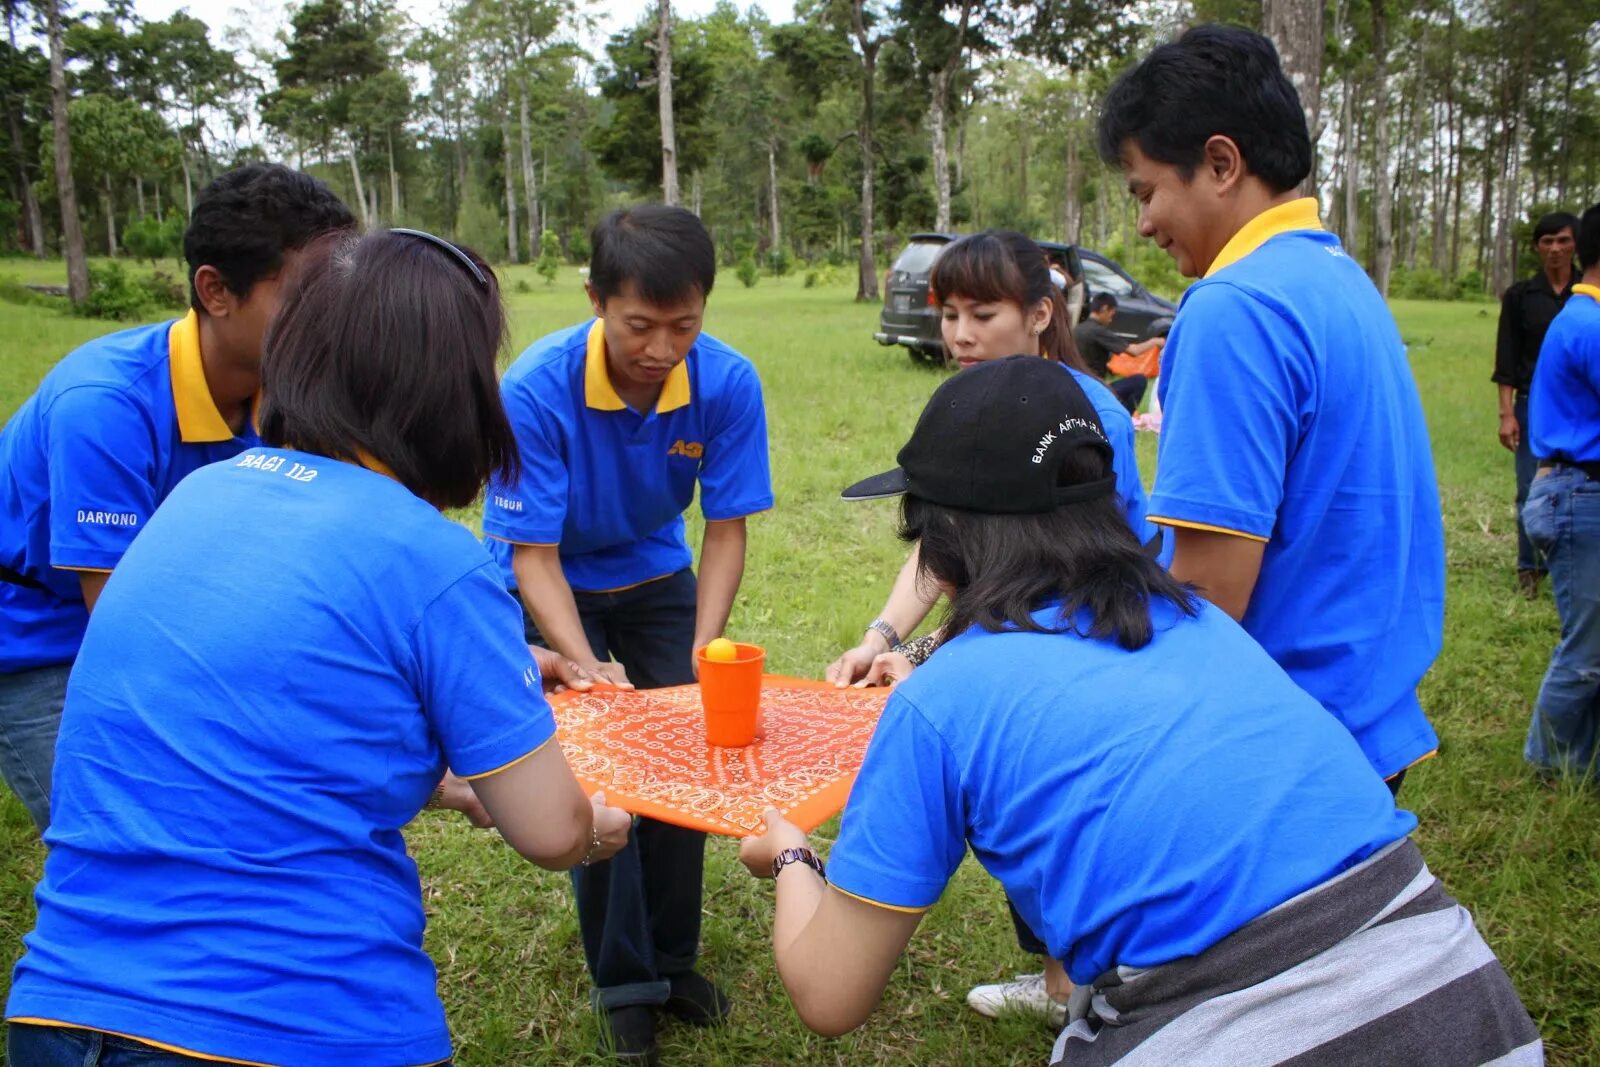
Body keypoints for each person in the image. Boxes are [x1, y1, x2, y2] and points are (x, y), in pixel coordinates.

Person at [740, 355, 1542, 1067]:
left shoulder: (939, 704)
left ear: (944, 541)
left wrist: (791, 858)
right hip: (1465, 998)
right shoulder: (1206, 625)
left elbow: (829, 995)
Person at [3, 229, 635, 1066]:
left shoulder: (194, 496)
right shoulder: (436, 559)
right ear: (456, 390)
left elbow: (264, 728)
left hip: (59, 1009)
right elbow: (552, 831)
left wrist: (446, 783)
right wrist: (605, 824)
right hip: (295, 1021)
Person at [825, 229, 1162, 1027]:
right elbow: (950, 549)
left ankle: (1090, 989)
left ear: (1041, 313)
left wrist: (926, 657)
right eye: (948, 315)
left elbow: (1048, 581)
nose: (960, 334)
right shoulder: (979, 407)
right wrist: (882, 636)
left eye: (983, 312)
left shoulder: (1085, 416)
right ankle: (1059, 983)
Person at [1097, 24, 1444, 796]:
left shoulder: (1234, 306)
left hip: (1279, 737)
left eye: (1147, 191)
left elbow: (1213, 589)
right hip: (1362, 716)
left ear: (1221, 163)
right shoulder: (1337, 279)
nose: (1145, 223)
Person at [481, 204, 773, 1064]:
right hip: (558, 580)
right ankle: (625, 980)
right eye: (639, 324)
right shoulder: (535, 388)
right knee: (602, 774)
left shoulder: (725, 383)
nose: (660, 348)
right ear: (597, 299)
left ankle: (675, 961)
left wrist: (703, 647)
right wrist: (579, 660)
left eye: (684, 325)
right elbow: (531, 554)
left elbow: (725, 527)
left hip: (656, 576)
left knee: (690, 759)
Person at [0, 163, 358, 832]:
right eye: (307, 300)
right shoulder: (104, 407)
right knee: (130, 835)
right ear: (216, 290)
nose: (332, 325)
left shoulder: (291, 399)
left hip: (172, 610)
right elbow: (129, 632)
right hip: (44, 637)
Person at [1522, 201, 1600, 781]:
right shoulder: (1591, 325)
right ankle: (1550, 765)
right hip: (1579, 494)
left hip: (1571, 491)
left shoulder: (1579, 316)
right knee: (1589, 650)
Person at [1496, 211, 1578, 598]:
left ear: (1576, 244)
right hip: (1533, 405)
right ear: (1537, 248)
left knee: (1578, 488)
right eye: (1547, 242)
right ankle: (1529, 567)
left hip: (1581, 409)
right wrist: (1507, 412)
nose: (1555, 249)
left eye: (1563, 240)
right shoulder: (1520, 297)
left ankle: (1565, 564)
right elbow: (1507, 359)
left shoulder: (1586, 294)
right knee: (1530, 487)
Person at [1073, 292, 1161, 414]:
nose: (1111, 320)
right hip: (1094, 390)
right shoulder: (1097, 331)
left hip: (1075, 387)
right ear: (1104, 309)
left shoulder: (1077, 329)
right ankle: (1122, 415)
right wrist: (1155, 341)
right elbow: (1134, 351)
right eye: (1111, 314)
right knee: (1139, 381)